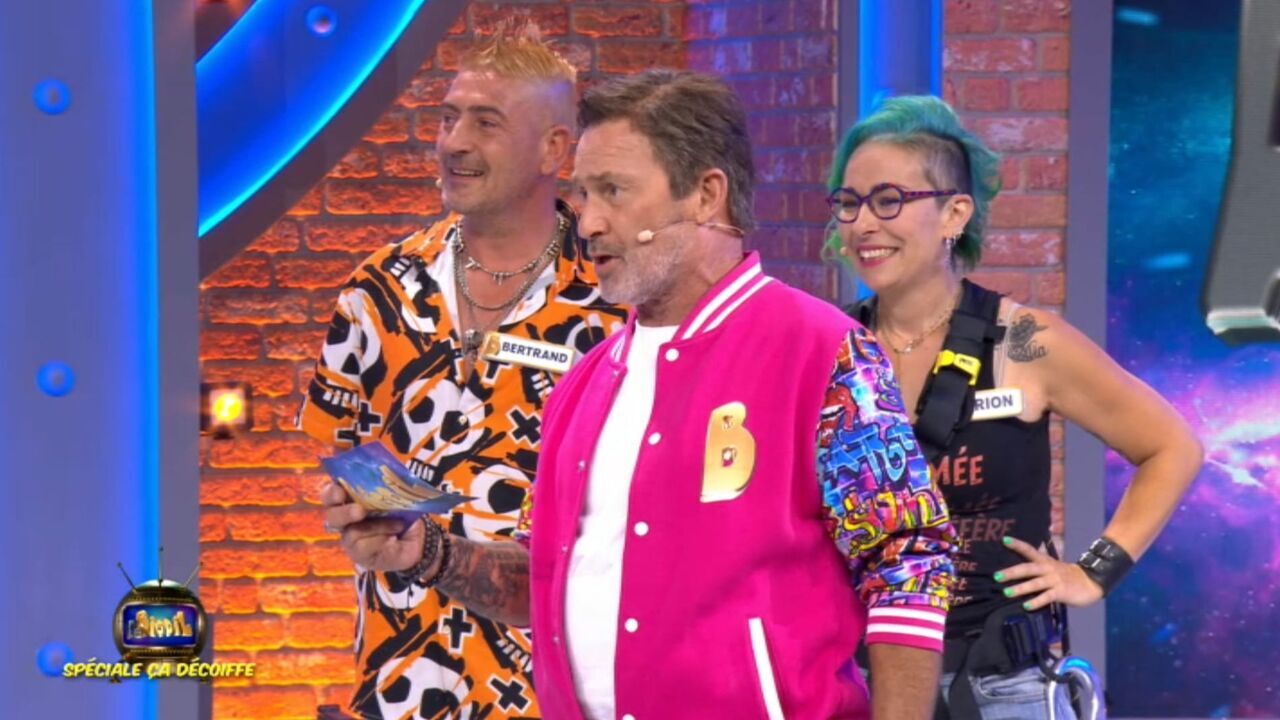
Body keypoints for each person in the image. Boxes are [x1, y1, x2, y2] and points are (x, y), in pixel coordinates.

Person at [329, 69, 959, 720]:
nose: (588, 222)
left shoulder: (823, 352)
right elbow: (545, 582)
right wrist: (426, 552)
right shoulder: (582, 385)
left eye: (614, 191)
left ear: (707, 195)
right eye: (582, 194)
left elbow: (908, 560)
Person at [826, 95, 1204, 718]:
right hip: (864, 683)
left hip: (1003, 687)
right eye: (849, 202)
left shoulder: (1025, 340)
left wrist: (1092, 573)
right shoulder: (829, 347)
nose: (864, 223)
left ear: (954, 213)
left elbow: (1172, 447)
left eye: (889, 200)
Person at [302, 25, 626, 719]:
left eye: (486, 122)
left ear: (554, 150)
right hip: (399, 685)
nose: (453, 142)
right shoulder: (377, 290)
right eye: (449, 118)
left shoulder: (615, 307)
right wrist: (353, 506)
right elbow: (344, 449)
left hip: (556, 695)